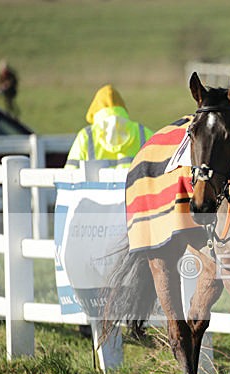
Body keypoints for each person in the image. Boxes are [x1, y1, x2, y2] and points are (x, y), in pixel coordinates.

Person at [65, 84, 153, 338]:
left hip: (95, 216)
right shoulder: (142, 132)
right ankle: (136, 320)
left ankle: (89, 319)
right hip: (133, 214)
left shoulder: (87, 137)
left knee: (90, 268)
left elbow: (68, 179)